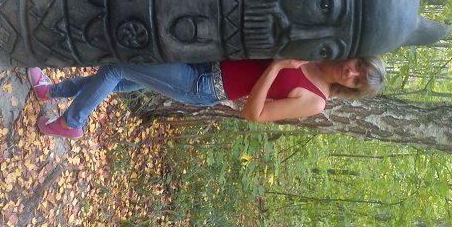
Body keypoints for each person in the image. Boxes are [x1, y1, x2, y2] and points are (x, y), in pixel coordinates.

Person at [28, 57, 386, 139]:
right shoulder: (318, 51)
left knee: (118, 68)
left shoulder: (316, 100)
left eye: (357, 80)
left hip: (204, 86)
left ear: (352, 89)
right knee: (125, 80)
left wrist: (277, 66)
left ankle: (71, 123)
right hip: (205, 56)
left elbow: (253, 114)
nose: (351, 72)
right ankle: (50, 91)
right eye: (359, 66)